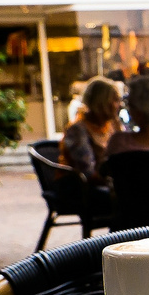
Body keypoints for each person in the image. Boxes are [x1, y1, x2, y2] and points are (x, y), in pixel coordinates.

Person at [57, 77, 121, 215]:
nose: (119, 105)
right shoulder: (78, 130)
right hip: (80, 188)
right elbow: (88, 173)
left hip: (104, 184)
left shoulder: (112, 126)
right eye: (115, 100)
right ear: (101, 102)